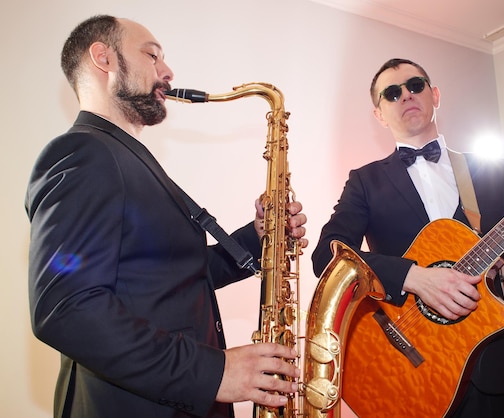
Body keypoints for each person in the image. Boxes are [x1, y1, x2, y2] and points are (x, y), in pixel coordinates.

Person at [25, 15, 308, 418]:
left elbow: (166, 281)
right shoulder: (84, 154)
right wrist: (215, 373)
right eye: (152, 55)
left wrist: (257, 238)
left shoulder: (123, 158)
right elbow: (66, 309)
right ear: (103, 59)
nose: (168, 71)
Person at [311, 58, 504, 417]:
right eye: (392, 93)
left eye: (415, 85)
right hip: (402, 370)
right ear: (379, 114)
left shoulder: (490, 170)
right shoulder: (365, 181)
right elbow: (329, 258)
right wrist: (414, 277)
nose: (406, 95)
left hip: (488, 366)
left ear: (434, 95)